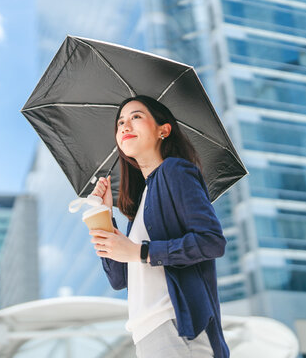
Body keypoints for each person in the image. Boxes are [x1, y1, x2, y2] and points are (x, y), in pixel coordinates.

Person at [88, 95, 230, 358]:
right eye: (120, 123)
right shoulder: (141, 202)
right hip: (146, 333)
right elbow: (119, 279)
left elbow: (211, 242)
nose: (125, 127)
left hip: (177, 327)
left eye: (136, 117)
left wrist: (140, 252)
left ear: (163, 130)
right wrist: (104, 214)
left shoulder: (175, 171)